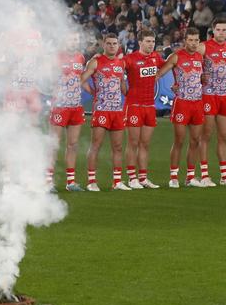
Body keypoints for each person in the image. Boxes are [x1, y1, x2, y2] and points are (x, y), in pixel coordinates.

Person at [159, 29, 208, 188]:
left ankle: (190, 177)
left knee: (195, 141)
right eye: (191, 40)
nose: (194, 43)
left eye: (196, 40)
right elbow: (159, 74)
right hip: (182, 104)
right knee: (179, 140)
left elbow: (198, 76)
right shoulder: (176, 56)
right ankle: (173, 177)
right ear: (185, 41)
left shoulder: (200, 57)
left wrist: (202, 78)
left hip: (197, 103)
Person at [81, 32, 128, 191]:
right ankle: (91, 182)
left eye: (115, 44)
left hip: (117, 110)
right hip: (101, 110)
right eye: (109, 43)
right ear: (104, 44)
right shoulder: (95, 62)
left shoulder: (121, 64)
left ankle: (117, 182)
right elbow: (82, 79)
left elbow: (122, 83)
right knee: (96, 145)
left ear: (118, 45)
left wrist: (127, 92)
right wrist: (93, 93)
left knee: (118, 147)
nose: (112, 46)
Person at [123, 29, 164, 189]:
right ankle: (131, 178)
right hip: (134, 106)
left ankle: (143, 178)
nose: (151, 44)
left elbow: (170, 64)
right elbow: (117, 67)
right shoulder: (130, 59)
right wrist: (122, 84)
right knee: (133, 142)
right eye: (148, 41)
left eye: (153, 42)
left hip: (150, 106)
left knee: (145, 144)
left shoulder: (156, 58)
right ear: (140, 42)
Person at [202, 18, 226, 186]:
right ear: (213, 31)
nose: (221, 33)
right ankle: (204, 175)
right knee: (206, 135)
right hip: (208, 95)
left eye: (224, 30)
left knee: (223, 136)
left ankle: (224, 176)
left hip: (224, 95)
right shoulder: (204, 46)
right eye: (219, 30)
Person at [52, 33, 87, 192]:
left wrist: (93, 91)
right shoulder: (56, 57)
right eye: (72, 39)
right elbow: (46, 77)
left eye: (76, 39)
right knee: (53, 144)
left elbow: (81, 79)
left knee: (72, 145)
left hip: (76, 107)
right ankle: (47, 181)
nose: (75, 42)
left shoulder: (81, 57)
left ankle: (71, 182)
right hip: (60, 106)